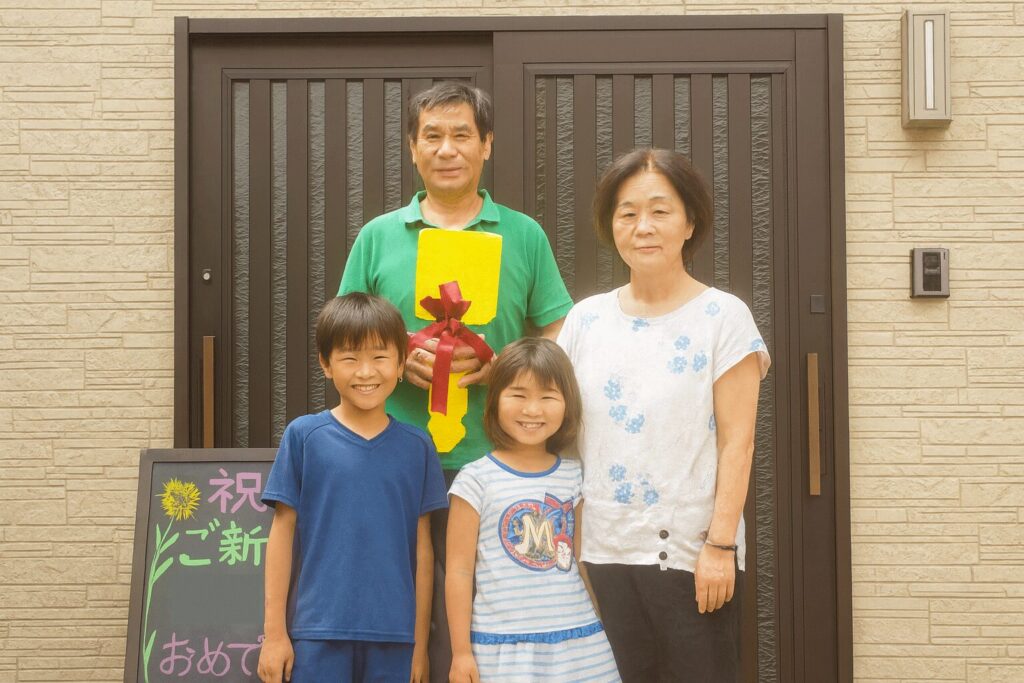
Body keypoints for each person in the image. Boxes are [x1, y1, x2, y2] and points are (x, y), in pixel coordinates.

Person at [338, 81, 573, 680]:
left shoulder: (523, 234)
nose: (447, 149)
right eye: (433, 136)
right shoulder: (378, 235)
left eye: (462, 135)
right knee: (397, 603)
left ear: (486, 144)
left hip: (497, 459)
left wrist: (505, 367)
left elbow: (559, 332)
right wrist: (397, 359)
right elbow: (345, 332)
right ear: (413, 148)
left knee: (489, 605)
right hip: (390, 452)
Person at [556, 148, 771, 682]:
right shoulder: (585, 320)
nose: (643, 227)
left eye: (660, 211)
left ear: (689, 222)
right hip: (600, 552)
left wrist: (720, 545)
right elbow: (560, 434)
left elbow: (738, 442)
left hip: (691, 556)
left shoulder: (723, 317)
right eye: (628, 213)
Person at [257, 293, 448, 683]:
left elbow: (422, 549)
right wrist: (275, 635)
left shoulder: (417, 446)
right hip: (316, 633)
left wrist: (419, 646)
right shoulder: (304, 437)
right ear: (326, 364)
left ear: (401, 364)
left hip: (396, 638)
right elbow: (282, 533)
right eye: (349, 358)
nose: (365, 372)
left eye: (379, 357)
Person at [445, 338, 620, 683]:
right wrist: (461, 652)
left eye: (548, 397)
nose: (532, 410)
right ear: (495, 399)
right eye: (519, 395)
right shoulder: (475, 479)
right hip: (501, 647)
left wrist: (602, 624)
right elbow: (459, 571)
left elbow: (581, 560)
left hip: (578, 641)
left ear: (567, 404)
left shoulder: (574, 475)